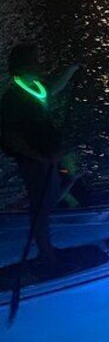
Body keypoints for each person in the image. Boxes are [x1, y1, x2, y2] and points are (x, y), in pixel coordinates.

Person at [1, 44, 79, 267]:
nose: (40, 62)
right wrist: (37, 156)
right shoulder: (13, 97)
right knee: (41, 205)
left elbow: (53, 88)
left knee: (50, 197)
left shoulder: (35, 86)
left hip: (48, 156)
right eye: (36, 59)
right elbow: (9, 136)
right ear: (25, 64)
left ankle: (48, 249)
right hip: (35, 160)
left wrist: (72, 69)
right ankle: (46, 254)